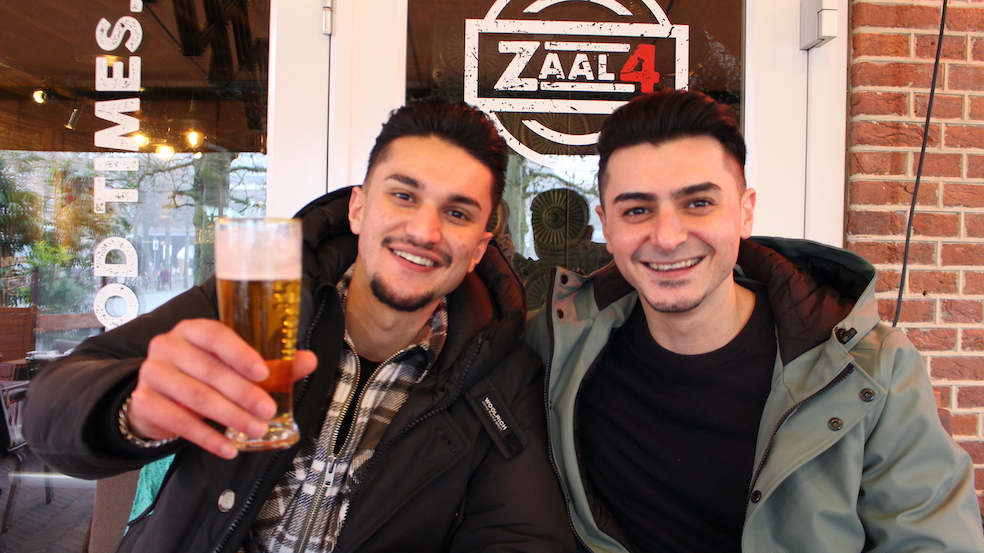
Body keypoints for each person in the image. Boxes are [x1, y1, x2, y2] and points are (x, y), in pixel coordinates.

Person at [24, 97, 574, 553]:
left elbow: (521, 536)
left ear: (478, 248)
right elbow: (51, 406)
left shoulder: (500, 370)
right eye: (403, 196)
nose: (424, 231)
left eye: (456, 213)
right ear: (358, 209)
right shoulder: (261, 298)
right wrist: (132, 409)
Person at [525, 89, 984, 552]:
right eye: (637, 210)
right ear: (607, 226)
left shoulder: (870, 369)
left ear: (745, 212)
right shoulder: (554, 349)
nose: (666, 237)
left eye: (698, 203)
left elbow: (933, 539)